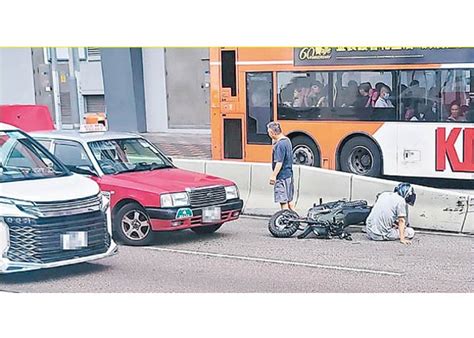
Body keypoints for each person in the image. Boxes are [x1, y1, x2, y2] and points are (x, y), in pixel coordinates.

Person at [267, 122, 295, 211]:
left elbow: (279, 162)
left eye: (269, 132)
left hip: (282, 177)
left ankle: (286, 220)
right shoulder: (287, 141)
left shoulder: (280, 145)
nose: (268, 134)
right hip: (289, 175)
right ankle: (295, 218)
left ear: (272, 132)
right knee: (290, 200)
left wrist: (273, 175)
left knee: (283, 201)